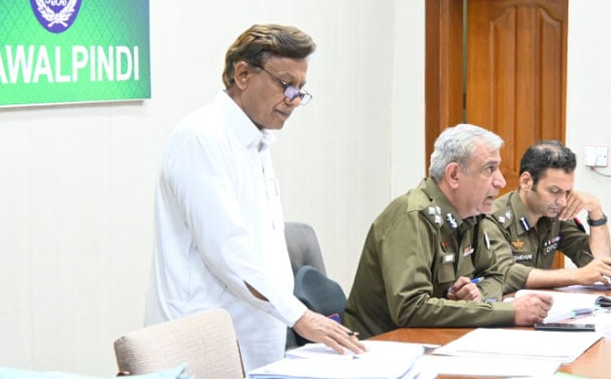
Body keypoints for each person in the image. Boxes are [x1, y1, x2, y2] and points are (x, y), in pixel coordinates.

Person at [144, 24, 365, 371]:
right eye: (285, 84)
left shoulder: (256, 139)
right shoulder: (202, 137)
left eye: (300, 89)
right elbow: (228, 252)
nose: (294, 99)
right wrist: (299, 315)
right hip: (202, 343)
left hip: (256, 340)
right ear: (243, 75)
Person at [344, 124, 554, 339]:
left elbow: (494, 275)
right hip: (384, 345)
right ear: (454, 175)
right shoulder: (413, 217)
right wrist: (508, 312)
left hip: (438, 337)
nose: (500, 181)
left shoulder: (472, 214)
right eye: (490, 169)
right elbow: (410, 308)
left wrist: (478, 295)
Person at [482, 140, 611, 294]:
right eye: (554, 191)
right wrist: (575, 276)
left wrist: (595, 211)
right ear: (526, 182)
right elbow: (505, 274)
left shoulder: (555, 214)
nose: (562, 201)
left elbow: (600, 263)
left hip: (540, 303)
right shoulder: (492, 219)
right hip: (502, 306)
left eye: (567, 192)